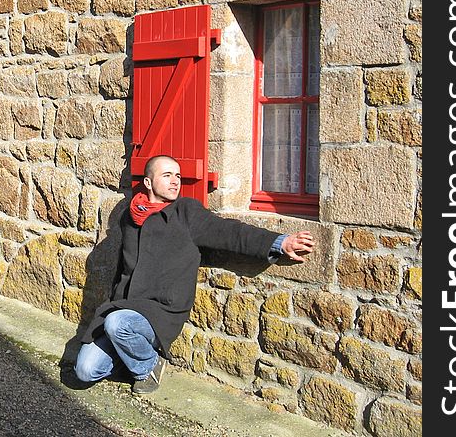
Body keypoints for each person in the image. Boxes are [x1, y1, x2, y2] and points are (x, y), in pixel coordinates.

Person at [73, 154, 315, 394]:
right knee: (85, 371)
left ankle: (148, 366)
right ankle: (129, 352)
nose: (175, 181)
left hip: (159, 312)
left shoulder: (186, 213)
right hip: (124, 307)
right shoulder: (130, 216)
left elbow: (230, 232)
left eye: (177, 176)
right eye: (166, 175)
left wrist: (279, 243)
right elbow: (122, 269)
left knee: (118, 324)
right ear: (147, 183)